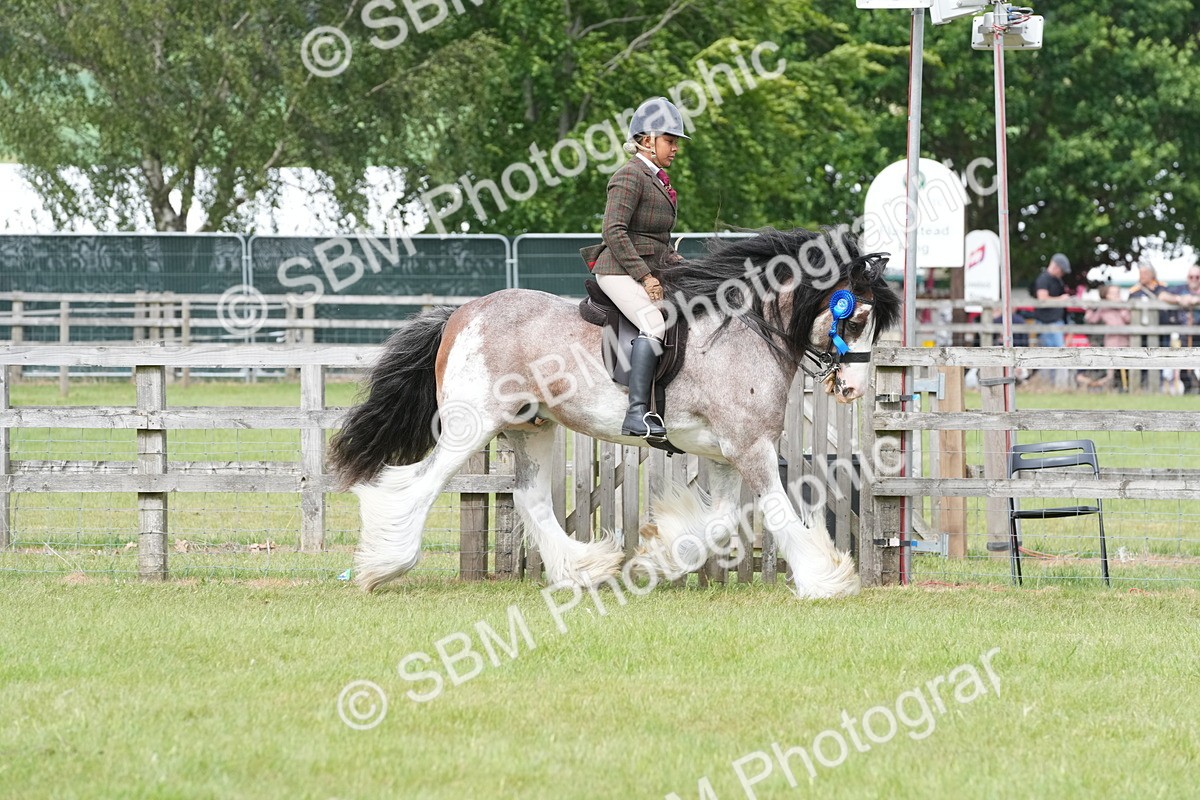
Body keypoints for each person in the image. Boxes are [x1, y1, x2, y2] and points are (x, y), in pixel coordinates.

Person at [584, 97, 687, 440]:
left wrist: (676, 262)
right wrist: (644, 276)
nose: (675, 148)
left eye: (675, 142)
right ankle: (636, 412)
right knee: (654, 323)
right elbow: (613, 231)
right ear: (647, 141)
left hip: (648, 267)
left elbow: (654, 238)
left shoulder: (656, 179)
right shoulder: (629, 175)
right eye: (670, 141)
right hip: (617, 269)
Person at [1128, 264, 1196, 390]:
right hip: (1141, 331)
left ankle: (1158, 385)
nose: (1142, 276)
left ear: (1152, 274)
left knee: (1161, 357)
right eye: (1141, 273)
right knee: (1141, 357)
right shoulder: (1135, 291)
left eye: (1145, 273)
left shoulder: (1162, 287)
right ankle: (1141, 385)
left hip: (1162, 329)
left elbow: (1165, 296)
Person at [1081, 284, 1131, 390]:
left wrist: (1122, 308)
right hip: (1111, 339)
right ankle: (1108, 386)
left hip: (1125, 339)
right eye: (1113, 293)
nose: (1116, 295)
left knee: (1126, 363)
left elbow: (1128, 319)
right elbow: (1092, 319)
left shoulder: (1124, 306)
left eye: (1118, 293)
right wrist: (1089, 309)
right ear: (1106, 295)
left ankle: (1126, 386)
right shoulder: (1103, 308)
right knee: (1111, 365)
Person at [1032, 252, 1071, 386]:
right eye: (1061, 270)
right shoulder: (1043, 279)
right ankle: (1052, 384)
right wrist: (1061, 299)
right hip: (1047, 322)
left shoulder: (1057, 280)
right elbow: (1042, 299)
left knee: (1054, 354)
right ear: (1056, 267)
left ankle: (1051, 385)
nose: (1062, 273)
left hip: (1054, 322)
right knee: (1055, 354)